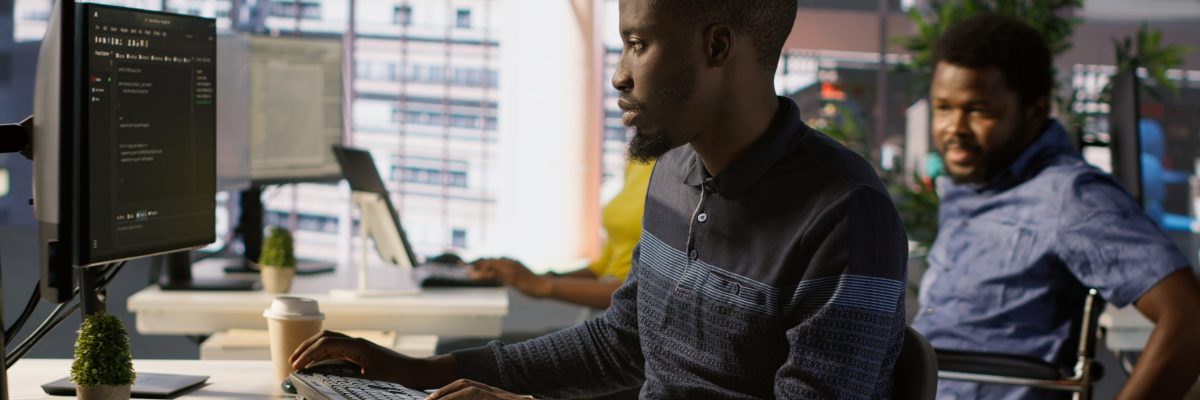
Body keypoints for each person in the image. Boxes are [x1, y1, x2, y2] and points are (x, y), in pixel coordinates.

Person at [290, 0, 909, 398]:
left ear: (717, 47)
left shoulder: (846, 215)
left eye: (638, 44)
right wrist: (419, 371)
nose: (619, 73)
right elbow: (623, 343)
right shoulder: (672, 175)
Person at [911, 14, 1200, 399]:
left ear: (1033, 112)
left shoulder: (1070, 196)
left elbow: (1190, 319)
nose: (954, 127)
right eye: (943, 107)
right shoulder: (977, 181)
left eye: (979, 110)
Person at [467, 160, 654, 310]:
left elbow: (648, 295)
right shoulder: (642, 156)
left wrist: (543, 284)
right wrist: (522, 274)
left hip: (636, 326)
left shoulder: (677, 169)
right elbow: (603, 267)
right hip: (607, 315)